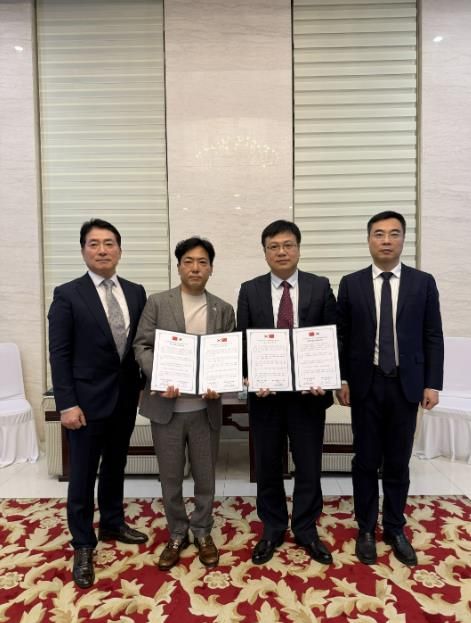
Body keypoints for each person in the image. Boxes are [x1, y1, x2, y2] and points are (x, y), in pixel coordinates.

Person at [336, 210, 444, 567]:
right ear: (368, 240)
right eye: (379, 234)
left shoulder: (422, 282)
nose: (386, 240)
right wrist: (343, 379)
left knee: (398, 460)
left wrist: (432, 382)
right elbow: (342, 336)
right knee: (366, 460)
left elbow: (433, 334)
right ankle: (366, 528)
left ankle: (395, 528)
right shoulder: (351, 284)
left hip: (406, 385)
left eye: (393, 234)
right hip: (365, 384)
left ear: (403, 239)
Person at [48, 218, 148, 589]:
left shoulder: (136, 292)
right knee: (82, 474)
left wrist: (145, 386)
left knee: (115, 466)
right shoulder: (67, 294)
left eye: (109, 243)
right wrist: (66, 404)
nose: (102, 250)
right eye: (94, 244)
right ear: (83, 250)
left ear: (119, 250)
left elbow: (139, 346)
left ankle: (112, 522)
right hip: (85, 404)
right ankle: (83, 543)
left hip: (124, 398)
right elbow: (59, 354)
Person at [236, 220, 336, 565]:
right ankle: (273, 527)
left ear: (298, 248)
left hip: (309, 396)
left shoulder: (320, 286)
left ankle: (306, 528)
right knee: (267, 465)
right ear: (265, 252)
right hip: (267, 397)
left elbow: (333, 336)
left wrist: (326, 375)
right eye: (274, 246)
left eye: (288, 245)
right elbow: (243, 339)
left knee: (308, 465)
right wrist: (250, 376)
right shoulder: (249, 290)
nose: (281, 252)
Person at [133, 237, 235, 571]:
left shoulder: (223, 309)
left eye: (202, 262)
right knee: (171, 477)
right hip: (166, 409)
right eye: (188, 261)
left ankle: (202, 530)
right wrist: (160, 375)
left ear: (211, 268)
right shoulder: (157, 303)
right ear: (178, 266)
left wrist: (220, 384)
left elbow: (228, 355)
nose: (195, 268)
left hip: (205, 410)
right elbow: (142, 346)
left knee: (205, 477)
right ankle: (177, 532)